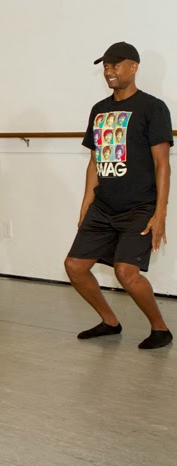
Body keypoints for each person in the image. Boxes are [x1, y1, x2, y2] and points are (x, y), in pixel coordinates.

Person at [65, 42, 173, 349]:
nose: (109, 71)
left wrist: (160, 212)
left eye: (116, 65)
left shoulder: (152, 108)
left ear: (133, 67)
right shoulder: (99, 110)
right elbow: (94, 162)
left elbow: (162, 164)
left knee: (126, 272)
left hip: (139, 207)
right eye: (106, 67)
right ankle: (110, 322)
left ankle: (160, 329)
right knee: (74, 266)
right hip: (103, 206)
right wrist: (86, 204)